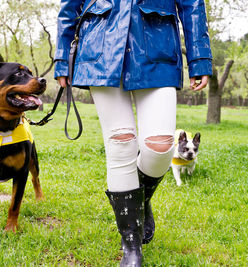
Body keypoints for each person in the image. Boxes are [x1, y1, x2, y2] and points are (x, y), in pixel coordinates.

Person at [54, 0, 212, 266]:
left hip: (158, 45)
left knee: (160, 145)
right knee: (121, 142)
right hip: (100, 47)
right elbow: (69, 8)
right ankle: (131, 246)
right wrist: (61, 60)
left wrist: (200, 58)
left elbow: (192, 5)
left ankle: (137, 199)